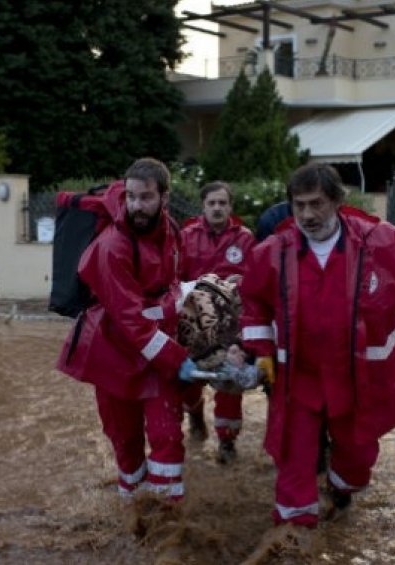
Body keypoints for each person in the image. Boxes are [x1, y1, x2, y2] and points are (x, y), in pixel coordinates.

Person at [237, 163, 395, 533]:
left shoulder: (380, 241)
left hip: (357, 380)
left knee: (357, 460)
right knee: (294, 460)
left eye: (316, 204)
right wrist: (261, 351)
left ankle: (340, 493)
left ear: (336, 202)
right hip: (300, 381)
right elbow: (253, 302)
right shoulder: (273, 252)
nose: (307, 215)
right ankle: (294, 539)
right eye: (299, 205)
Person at [56, 157, 200, 511]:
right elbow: (132, 320)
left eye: (146, 197)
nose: (136, 205)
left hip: (156, 353)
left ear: (164, 198)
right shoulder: (112, 247)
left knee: (168, 436)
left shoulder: (172, 232)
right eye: (131, 196)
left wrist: (185, 307)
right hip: (113, 355)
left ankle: (167, 523)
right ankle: (132, 515)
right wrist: (178, 360)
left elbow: (173, 285)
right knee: (126, 443)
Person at [178, 181, 256, 463]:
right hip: (193, 324)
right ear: (203, 206)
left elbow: (258, 279)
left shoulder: (245, 239)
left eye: (222, 203)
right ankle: (195, 415)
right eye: (211, 203)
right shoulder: (186, 237)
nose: (217, 208)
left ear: (230, 206)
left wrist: (243, 281)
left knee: (230, 381)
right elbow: (174, 278)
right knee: (188, 380)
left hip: (231, 326)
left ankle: (226, 443)